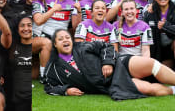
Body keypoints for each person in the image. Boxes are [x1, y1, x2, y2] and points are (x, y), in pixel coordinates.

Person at [44, 29, 175, 100]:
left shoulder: (83, 46)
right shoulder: (53, 67)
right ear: (55, 44)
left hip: (118, 63)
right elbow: (48, 86)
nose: (65, 40)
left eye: (67, 37)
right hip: (111, 83)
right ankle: (172, 90)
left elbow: (106, 46)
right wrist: (65, 91)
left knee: (151, 64)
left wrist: (108, 63)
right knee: (148, 89)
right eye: (60, 39)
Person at [144, 0, 175, 68]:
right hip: (157, 49)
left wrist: (165, 26)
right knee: (162, 70)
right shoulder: (149, 12)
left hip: (171, 48)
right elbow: (144, 31)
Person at [5, 16, 32, 111]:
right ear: (17, 29)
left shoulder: (38, 48)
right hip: (18, 99)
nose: (26, 29)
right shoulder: (12, 47)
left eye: (29, 25)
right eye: (22, 26)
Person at [32, 0, 52, 80]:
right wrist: (54, 9)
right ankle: (45, 76)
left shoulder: (42, 2)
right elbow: (38, 21)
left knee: (34, 75)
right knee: (46, 43)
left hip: (35, 38)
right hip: (28, 40)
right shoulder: (36, 2)